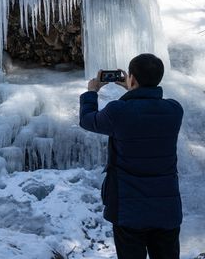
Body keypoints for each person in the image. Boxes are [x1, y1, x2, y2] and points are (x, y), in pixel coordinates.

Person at [79, 53, 184, 259]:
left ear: (132, 78)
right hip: (166, 208)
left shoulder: (119, 111)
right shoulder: (174, 110)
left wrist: (92, 92)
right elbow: (149, 110)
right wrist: (135, 90)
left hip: (128, 208)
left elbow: (87, 120)